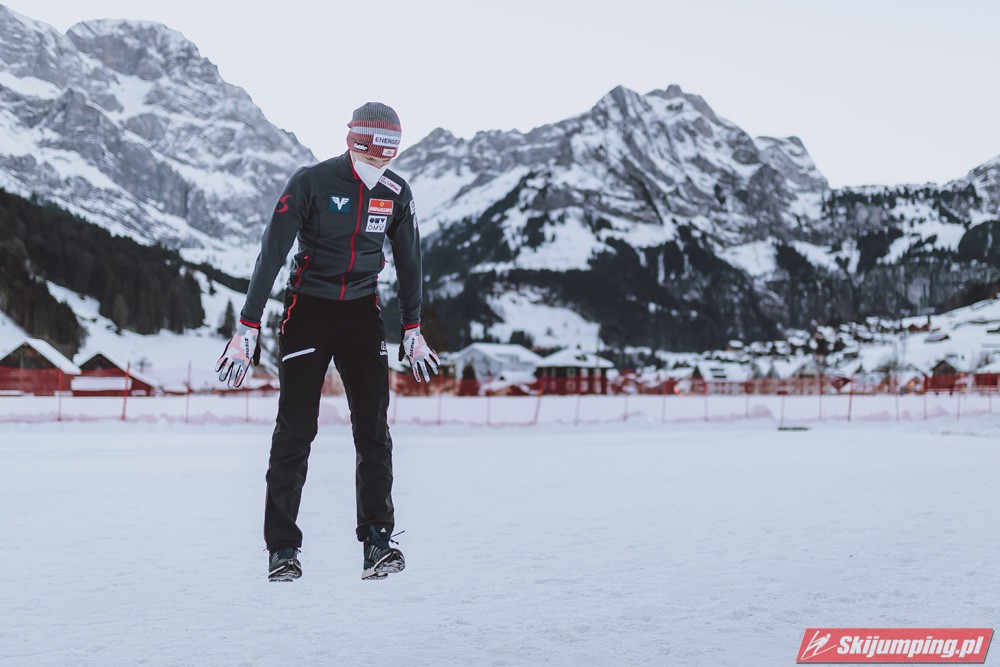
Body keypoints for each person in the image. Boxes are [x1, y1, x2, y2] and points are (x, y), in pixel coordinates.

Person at [215, 102, 440, 582]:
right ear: (354, 142)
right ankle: (282, 549)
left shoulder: (397, 193)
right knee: (296, 429)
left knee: (373, 428)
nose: (382, 161)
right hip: (308, 311)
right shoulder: (311, 182)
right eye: (374, 151)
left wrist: (413, 327)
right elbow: (272, 252)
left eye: (390, 152)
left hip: (362, 314)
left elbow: (410, 261)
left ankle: (377, 541)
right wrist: (248, 325)